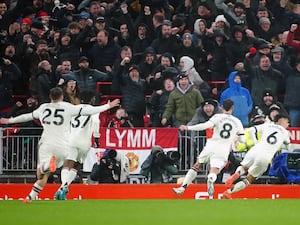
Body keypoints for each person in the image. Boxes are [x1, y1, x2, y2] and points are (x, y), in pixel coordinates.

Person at [0, 87, 120, 203]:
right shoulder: (69, 107)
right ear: (62, 97)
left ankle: (46, 167)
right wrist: (107, 106)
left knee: (41, 173)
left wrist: (10, 121)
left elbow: (27, 116)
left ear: (50, 97)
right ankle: (31, 197)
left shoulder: (44, 107)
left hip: (49, 143)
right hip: (64, 145)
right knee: (72, 166)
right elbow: (90, 112)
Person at [172, 99, 245, 199]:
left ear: (222, 107)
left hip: (211, 144)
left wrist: (188, 128)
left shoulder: (217, 117)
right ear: (232, 108)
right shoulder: (237, 122)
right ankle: (211, 178)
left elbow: (204, 126)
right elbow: (242, 140)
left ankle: (183, 187)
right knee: (214, 170)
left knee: (197, 165)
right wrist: (235, 137)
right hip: (223, 148)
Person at [222, 114, 291, 199]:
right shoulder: (285, 132)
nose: (288, 125)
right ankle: (229, 192)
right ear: (281, 121)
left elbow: (250, 130)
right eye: (287, 122)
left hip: (255, 150)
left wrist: (255, 143)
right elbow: (288, 147)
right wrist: (279, 145)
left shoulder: (267, 125)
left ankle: (236, 174)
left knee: (244, 167)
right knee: (249, 179)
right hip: (265, 156)